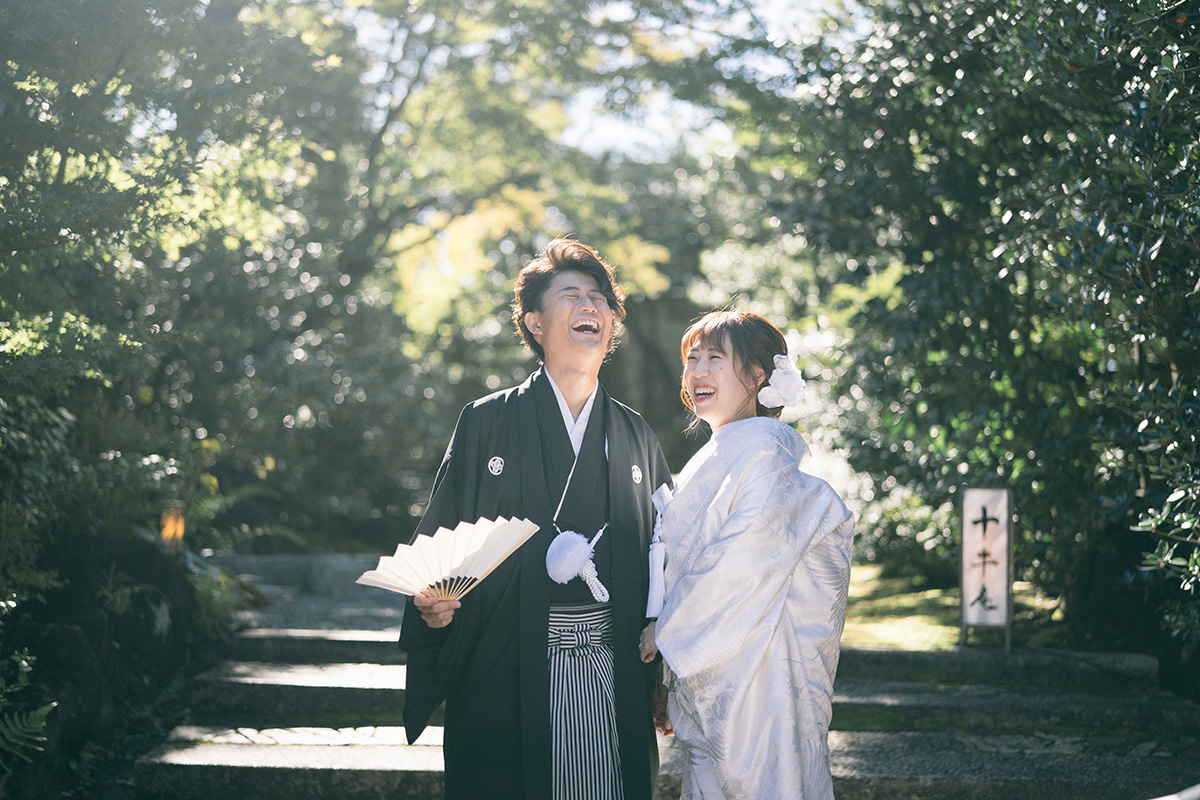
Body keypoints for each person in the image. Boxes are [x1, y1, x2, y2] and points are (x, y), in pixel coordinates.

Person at [399, 238, 673, 800]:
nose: (589, 307)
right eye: (570, 295)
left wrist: (664, 653)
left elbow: (667, 555)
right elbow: (441, 539)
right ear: (535, 322)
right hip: (506, 660)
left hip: (609, 660)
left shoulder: (635, 434)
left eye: (599, 298)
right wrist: (432, 605)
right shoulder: (486, 422)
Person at [638, 309, 854, 800]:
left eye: (715, 358)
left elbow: (740, 564)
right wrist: (670, 671)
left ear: (758, 377)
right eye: (691, 360)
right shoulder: (719, 455)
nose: (697, 373)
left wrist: (665, 632)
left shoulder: (766, 459)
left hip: (761, 680)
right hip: (714, 670)